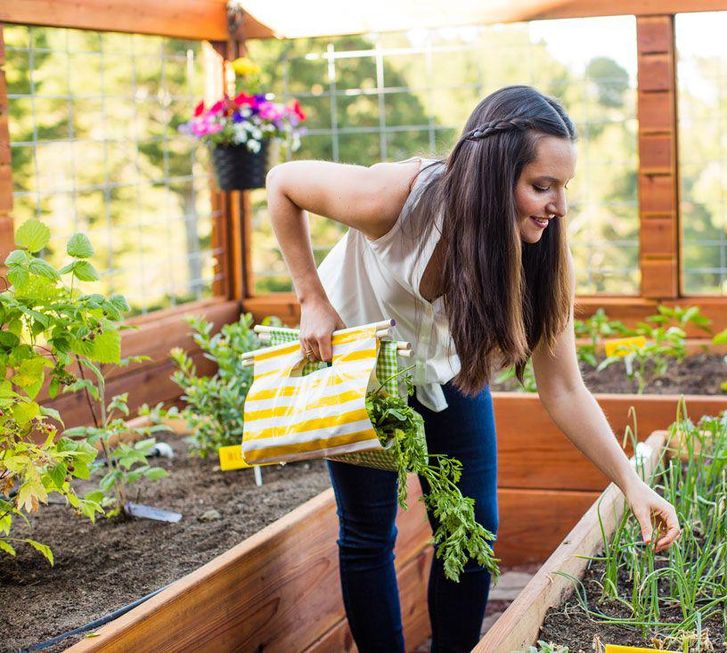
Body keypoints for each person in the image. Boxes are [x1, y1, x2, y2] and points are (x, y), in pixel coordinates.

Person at [265, 85, 681, 653]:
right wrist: (312, 297)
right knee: (368, 534)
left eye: (564, 187)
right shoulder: (397, 199)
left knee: (473, 528)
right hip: (357, 366)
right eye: (542, 186)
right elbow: (282, 183)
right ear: (492, 176)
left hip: (444, 373)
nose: (559, 206)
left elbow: (562, 389)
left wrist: (631, 485)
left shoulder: (542, 250)